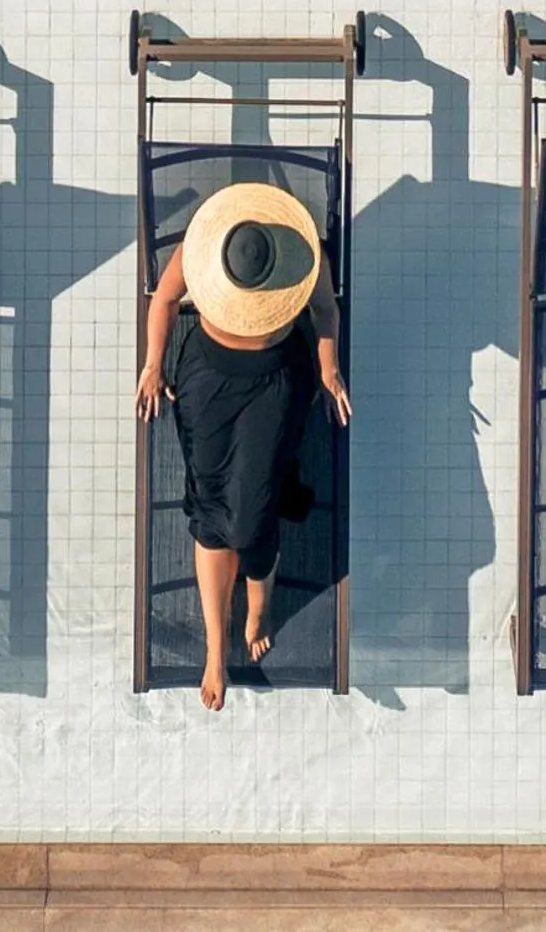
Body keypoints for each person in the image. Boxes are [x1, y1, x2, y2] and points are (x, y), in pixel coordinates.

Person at [133, 182, 352, 710]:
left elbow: (324, 310)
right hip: (208, 377)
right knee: (211, 507)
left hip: (276, 382)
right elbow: (163, 298)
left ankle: (257, 609)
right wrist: (152, 362)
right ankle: (216, 647)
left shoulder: (302, 256)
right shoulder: (205, 247)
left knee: (252, 515)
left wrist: (329, 367)